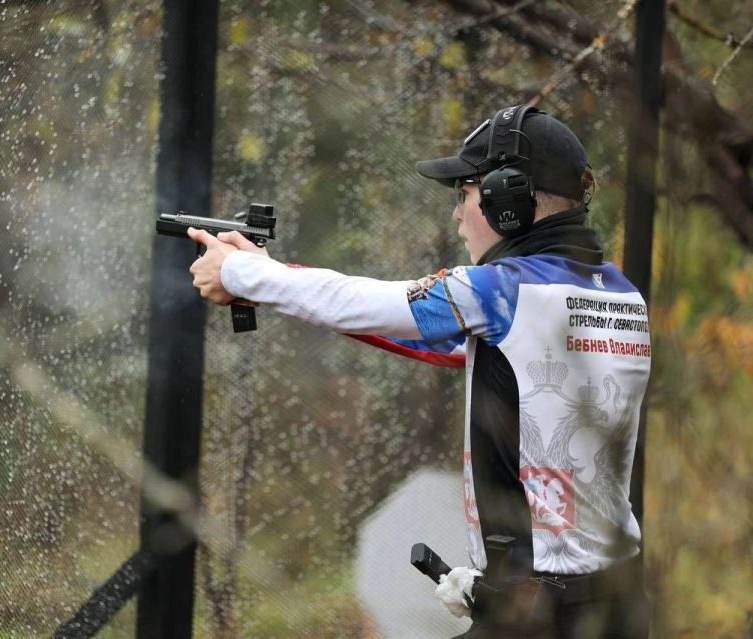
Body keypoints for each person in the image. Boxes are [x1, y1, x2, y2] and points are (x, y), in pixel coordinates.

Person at [186, 105, 651, 638]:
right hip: (614, 602)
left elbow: (369, 305)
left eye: (466, 193)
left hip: (545, 614)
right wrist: (273, 278)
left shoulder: (504, 290)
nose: (457, 215)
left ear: (508, 200)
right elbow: (425, 334)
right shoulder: (619, 295)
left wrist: (243, 272)